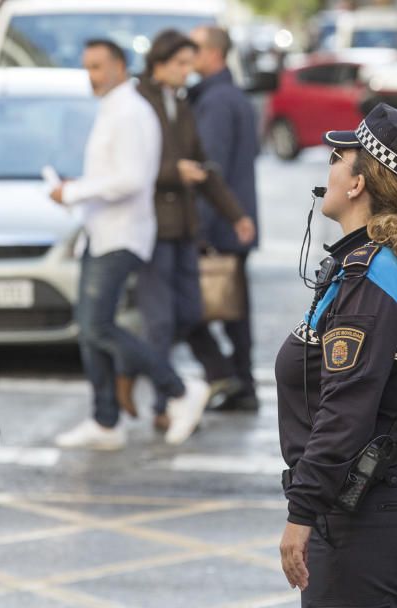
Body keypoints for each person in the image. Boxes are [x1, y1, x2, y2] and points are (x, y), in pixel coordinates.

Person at [277, 103, 397, 606]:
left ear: (358, 184)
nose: (329, 167)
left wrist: (302, 513)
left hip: (370, 517)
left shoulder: (369, 278)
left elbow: (345, 410)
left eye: (339, 157)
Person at [50, 39, 195, 450]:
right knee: (90, 331)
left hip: (121, 233)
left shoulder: (129, 111)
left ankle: (181, 389)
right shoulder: (114, 108)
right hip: (101, 232)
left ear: (118, 66)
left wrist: (75, 192)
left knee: (99, 327)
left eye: (97, 66)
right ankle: (106, 421)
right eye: (87, 67)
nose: (91, 76)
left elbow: (131, 179)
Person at [135, 29, 256, 444]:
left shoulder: (183, 102)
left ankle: (215, 376)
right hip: (152, 228)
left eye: (192, 62)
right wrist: (173, 173)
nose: (188, 73)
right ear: (160, 62)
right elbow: (133, 165)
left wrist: (235, 214)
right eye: (182, 64)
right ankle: (166, 403)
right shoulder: (140, 102)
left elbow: (204, 166)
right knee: (161, 321)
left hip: (183, 229)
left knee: (189, 313)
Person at [187, 25, 261, 412]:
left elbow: (207, 172)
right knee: (234, 313)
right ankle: (240, 383)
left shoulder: (216, 101)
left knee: (189, 309)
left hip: (221, 225)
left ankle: (230, 379)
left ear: (214, 53)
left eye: (194, 47)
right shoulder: (230, 96)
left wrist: (198, 228)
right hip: (233, 221)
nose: (187, 53)